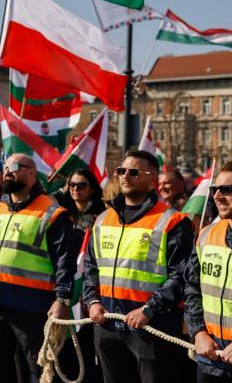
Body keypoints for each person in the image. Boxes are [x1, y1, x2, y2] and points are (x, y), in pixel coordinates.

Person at [0, 154, 77, 383]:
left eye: (14, 167)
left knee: (37, 369)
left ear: (32, 173)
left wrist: (62, 299)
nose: (7, 172)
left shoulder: (52, 213)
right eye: (5, 167)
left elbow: (65, 260)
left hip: (32, 307)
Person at [84, 150, 195, 383]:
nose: (125, 176)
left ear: (152, 179)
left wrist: (148, 310)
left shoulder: (173, 221)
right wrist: (92, 302)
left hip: (151, 328)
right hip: (107, 324)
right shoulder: (103, 219)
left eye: (133, 172)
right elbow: (91, 267)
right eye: (121, 171)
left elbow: (181, 276)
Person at [55, 169, 107, 383]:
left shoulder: (101, 215)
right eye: (72, 184)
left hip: (88, 287)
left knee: (86, 343)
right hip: (65, 282)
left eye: (82, 185)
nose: (76, 189)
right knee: (64, 343)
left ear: (92, 189)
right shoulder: (61, 213)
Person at [185, 161, 232, 382]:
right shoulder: (205, 235)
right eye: (215, 189)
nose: (217, 196)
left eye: (227, 190)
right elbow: (193, 289)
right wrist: (199, 333)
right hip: (211, 357)